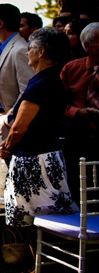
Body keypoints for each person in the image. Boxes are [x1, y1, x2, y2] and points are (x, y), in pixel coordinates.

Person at [0, 27, 78, 273]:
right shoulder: (54, 79)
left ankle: (41, 266)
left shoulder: (43, 82)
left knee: (35, 216)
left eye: (31, 48)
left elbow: (20, 126)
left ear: (41, 52)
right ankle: (42, 264)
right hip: (47, 156)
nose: (28, 52)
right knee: (39, 215)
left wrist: (7, 146)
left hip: (34, 159)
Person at [0, 3, 33, 194]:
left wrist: (9, 119)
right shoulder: (4, 46)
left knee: (8, 178)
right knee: (1, 175)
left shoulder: (20, 49)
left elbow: (27, 90)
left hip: (9, 120)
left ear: (1, 23)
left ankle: (10, 222)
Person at [61, 22, 99, 202]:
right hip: (78, 137)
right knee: (78, 189)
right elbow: (56, 103)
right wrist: (77, 112)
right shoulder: (72, 69)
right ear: (87, 46)